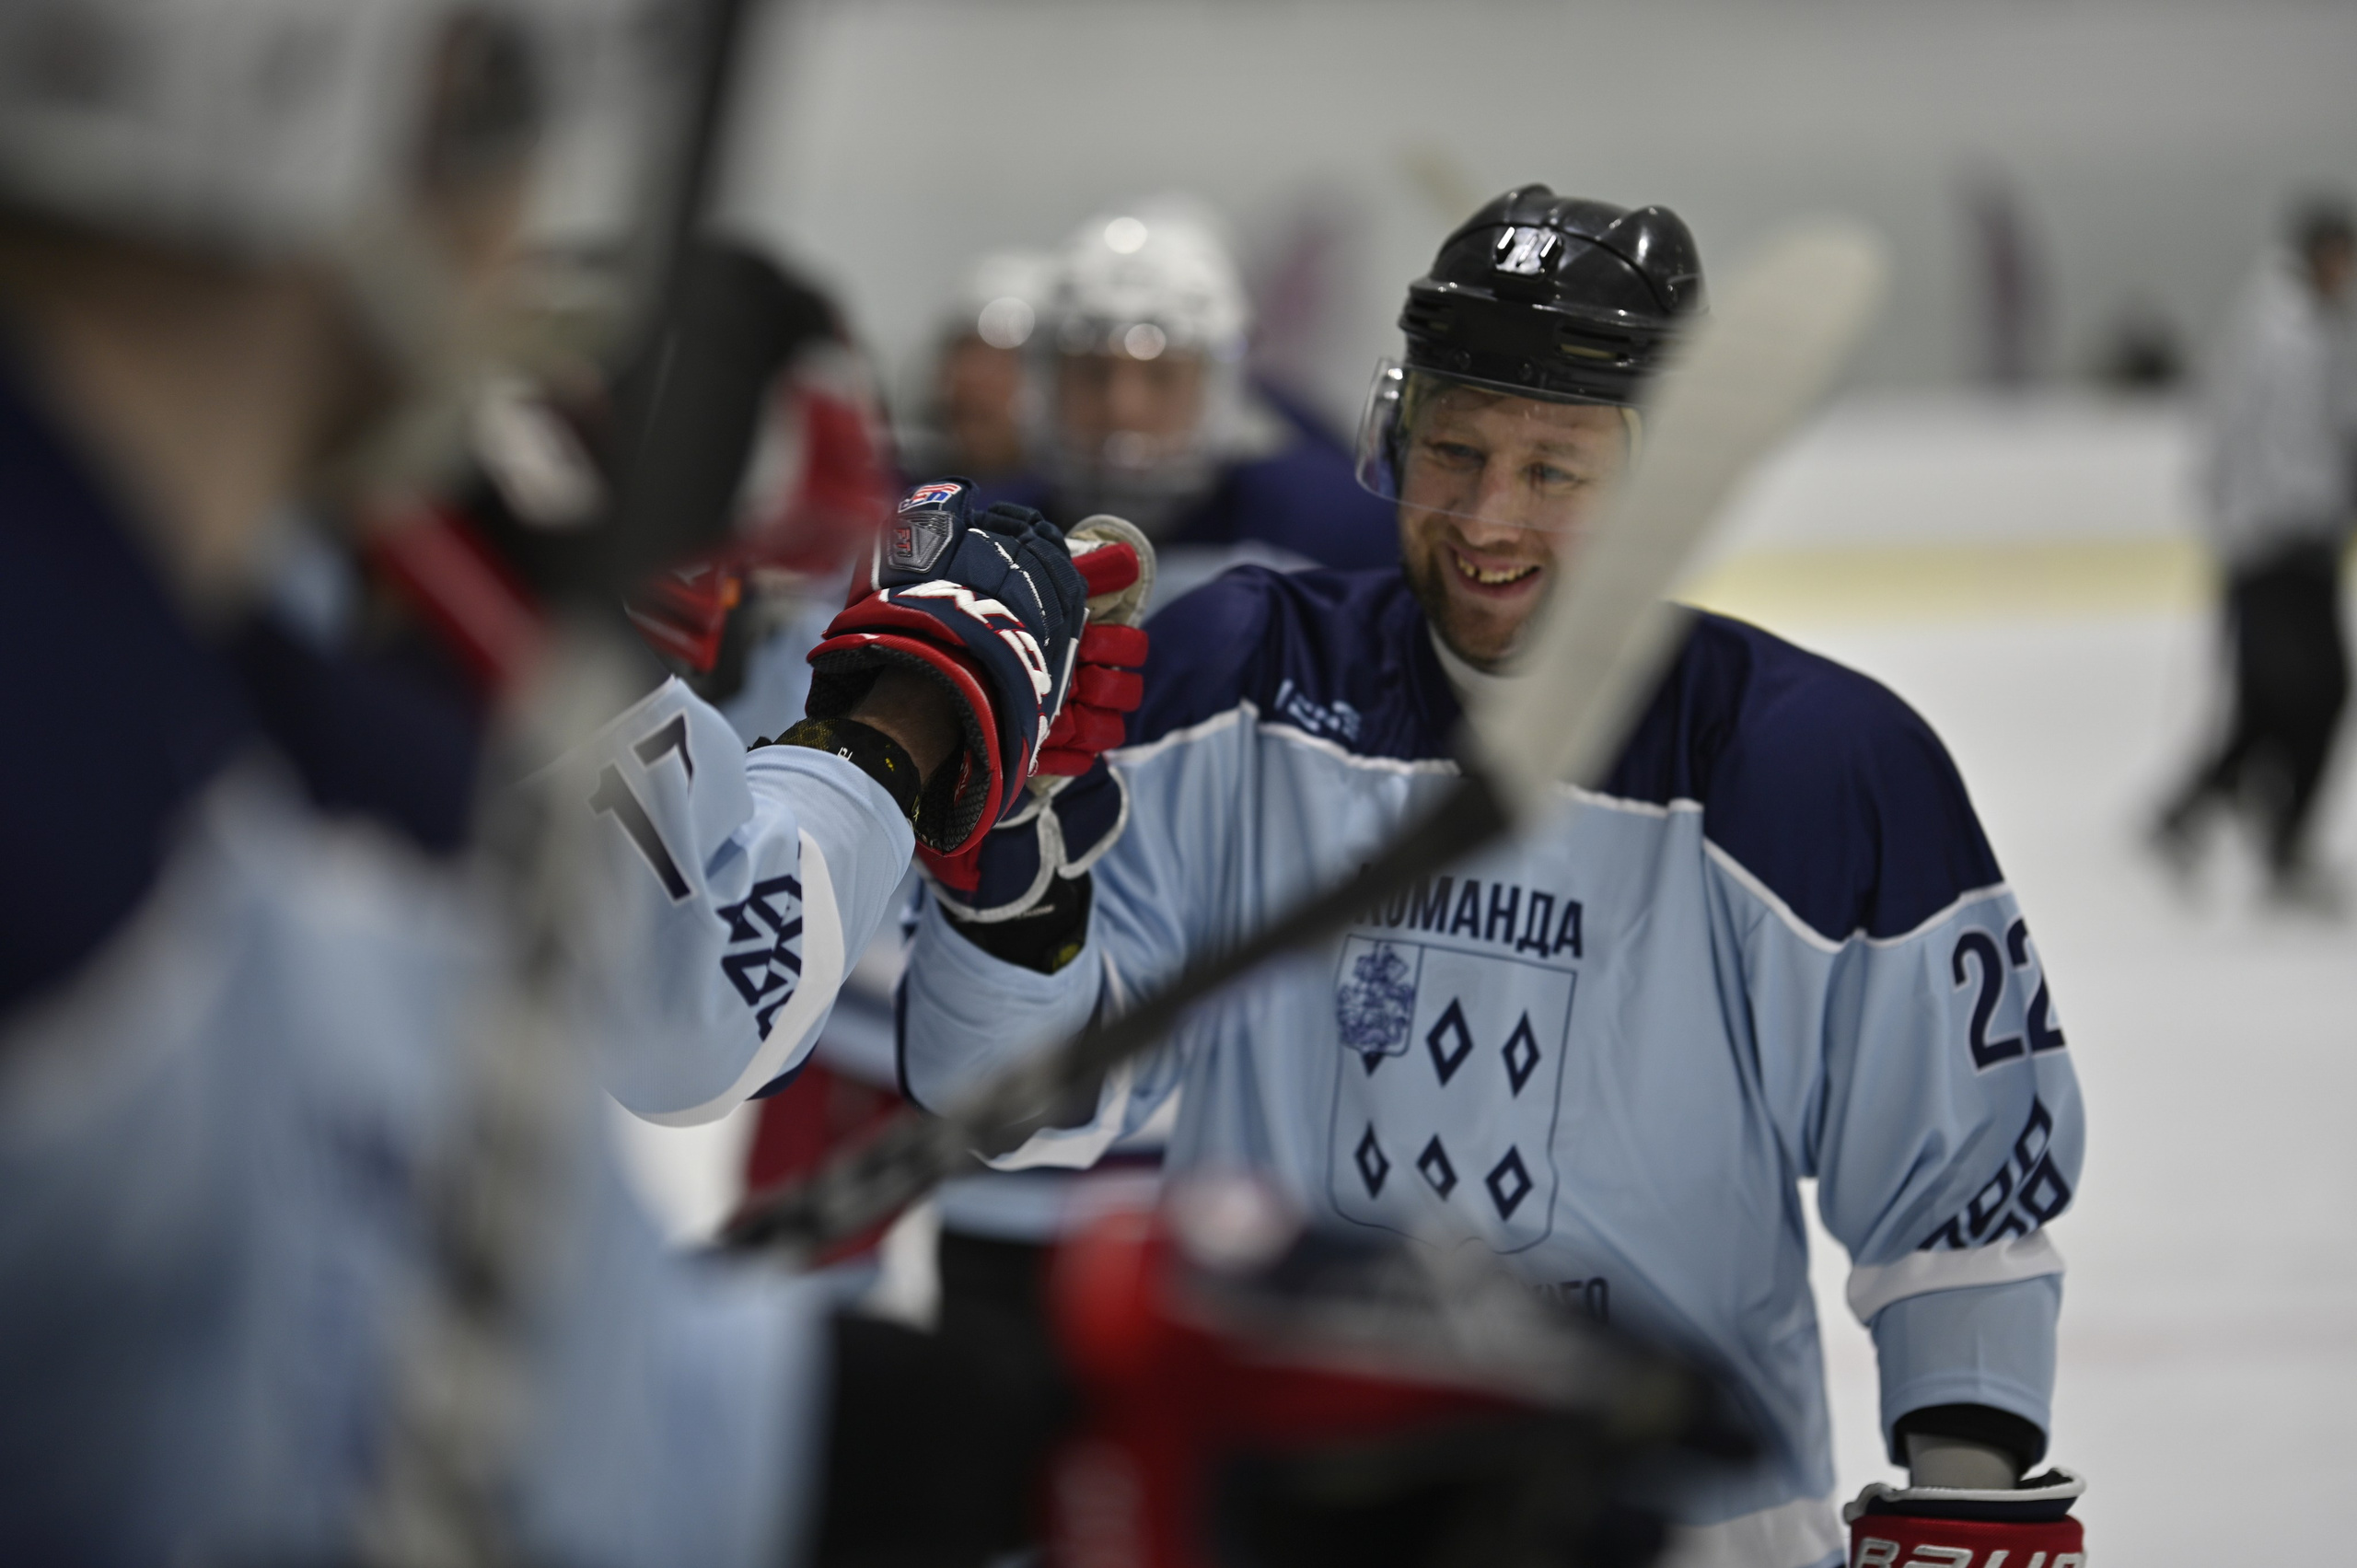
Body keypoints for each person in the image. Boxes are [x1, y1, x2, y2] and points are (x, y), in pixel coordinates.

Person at [0, 4, 1096, 1562]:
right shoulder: (101, 835)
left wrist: (959, 1429)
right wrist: (898, 731)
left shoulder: (244, 652)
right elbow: (683, 1010)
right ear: (422, 102)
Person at [903, 187, 2090, 1568]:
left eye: (1553, 470)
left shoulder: (1818, 764)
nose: (1485, 519)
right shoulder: (1240, 675)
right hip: (1286, 1511)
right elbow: (1036, 1108)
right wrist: (1006, 915)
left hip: (1672, 1529)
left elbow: (1956, 1192)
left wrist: (1965, 1473)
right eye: (1453, 452)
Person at [979, 196, 1399, 603]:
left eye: (1161, 376)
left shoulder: (1334, 528)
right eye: (1093, 373)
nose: (1124, 408)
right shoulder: (978, 537)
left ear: (1221, 387)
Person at [2153, 198, 2355, 907]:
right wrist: (2239, 522)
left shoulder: (2321, 329)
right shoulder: (2273, 332)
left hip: (2305, 542)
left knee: (2287, 697)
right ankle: (2272, 838)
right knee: (2304, 693)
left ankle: (2198, 817)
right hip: (2270, 544)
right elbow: (2232, 431)